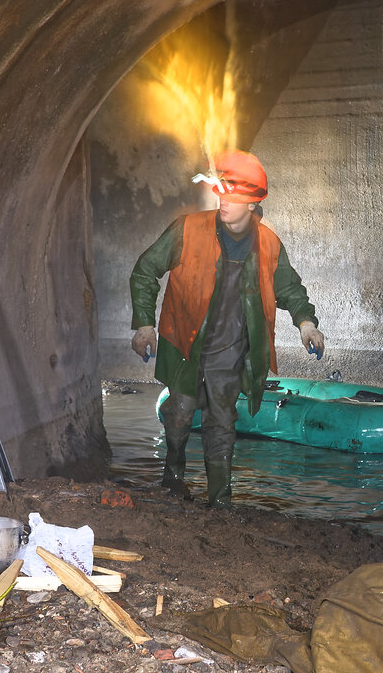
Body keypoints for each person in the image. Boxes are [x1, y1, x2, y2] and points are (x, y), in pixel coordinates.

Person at [129, 150, 325, 507]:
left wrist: (306, 323)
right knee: (180, 414)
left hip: (230, 353)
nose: (223, 200)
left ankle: (220, 501)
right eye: (222, 192)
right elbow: (145, 271)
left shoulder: (268, 244)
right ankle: (172, 481)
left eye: (232, 196)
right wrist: (144, 325)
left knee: (222, 424)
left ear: (252, 203)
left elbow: (290, 289)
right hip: (186, 345)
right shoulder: (187, 229)